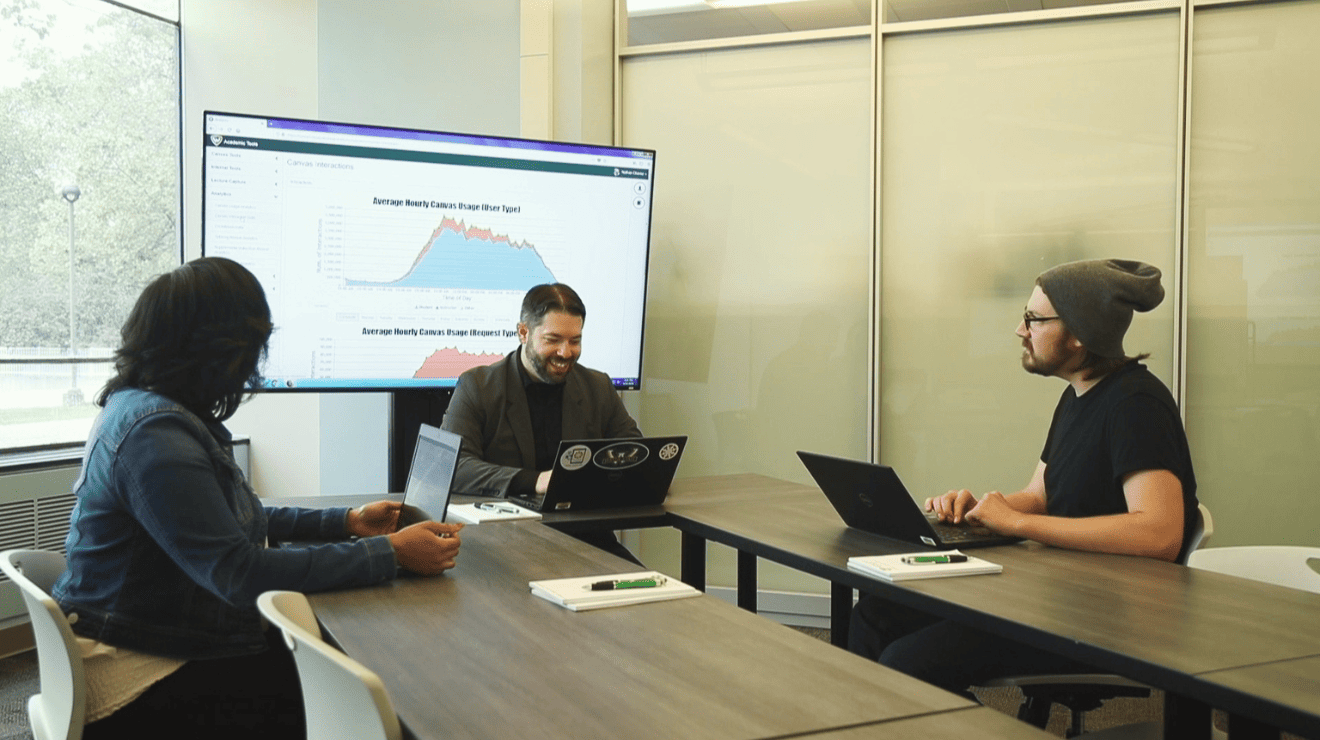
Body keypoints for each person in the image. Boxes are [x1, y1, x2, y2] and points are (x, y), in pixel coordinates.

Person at [52, 257, 463, 739]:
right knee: (364, 696)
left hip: (152, 632)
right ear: (219, 349)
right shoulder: (156, 436)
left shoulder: (147, 411)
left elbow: (224, 519)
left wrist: (347, 522)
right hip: (141, 670)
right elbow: (239, 573)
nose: (254, 366)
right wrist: (390, 553)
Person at [849, 258, 1198, 697]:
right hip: (1057, 595)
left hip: (1103, 620)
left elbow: (1160, 533)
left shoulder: (1137, 405)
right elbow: (1040, 495)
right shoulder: (1077, 398)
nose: (1020, 330)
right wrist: (979, 511)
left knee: (908, 662)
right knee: (873, 616)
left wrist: (1017, 522)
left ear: (1079, 333)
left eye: (1034, 319)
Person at [441, 283, 641, 560]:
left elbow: (636, 454)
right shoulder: (478, 386)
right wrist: (534, 481)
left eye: (575, 341)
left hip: (586, 540)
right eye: (553, 340)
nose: (565, 352)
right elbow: (454, 466)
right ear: (523, 332)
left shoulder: (597, 386)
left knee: (646, 582)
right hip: (504, 543)